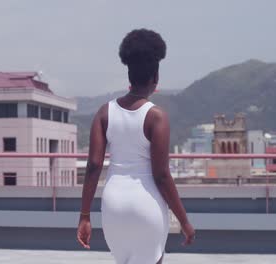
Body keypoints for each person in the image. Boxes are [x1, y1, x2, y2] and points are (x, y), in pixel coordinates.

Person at [77, 28, 195, 264]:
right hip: (145, 206)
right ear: (155, 78)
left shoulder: (104, 112)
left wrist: (84, 216)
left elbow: (93, 166)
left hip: (113, 207)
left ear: (129, 76)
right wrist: (184, 220)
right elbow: (161, 175)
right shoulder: (156, 117)